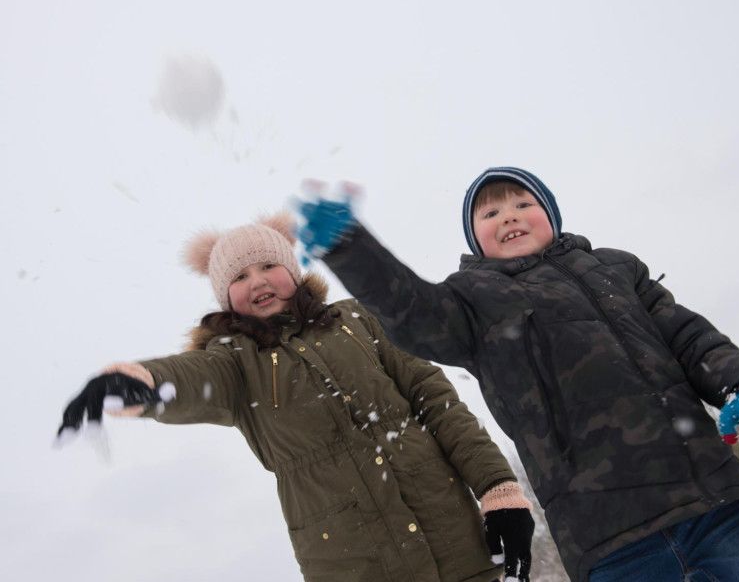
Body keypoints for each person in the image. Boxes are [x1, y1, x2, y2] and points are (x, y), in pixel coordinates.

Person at [295, 167, 739, 582]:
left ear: (551, 215)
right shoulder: (472, 302)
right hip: (607, 539)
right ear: (476, 239)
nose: (508, 216)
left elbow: (688, 336)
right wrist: (350, 249)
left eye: (522, 204)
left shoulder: (616, 271)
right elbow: (410, 311)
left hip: (714, 504)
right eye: (489, 212)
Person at [56, 213, 536, 582]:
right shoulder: (235, 364)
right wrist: (139, 381)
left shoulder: (360, 321)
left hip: (458, 548)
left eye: (268, 266)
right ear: (225, 296)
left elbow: (439, 404)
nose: (258, 281)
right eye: (239, 277)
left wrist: (499, 490)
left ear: (292, 268)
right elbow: (190, 377)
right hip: (354, 564)